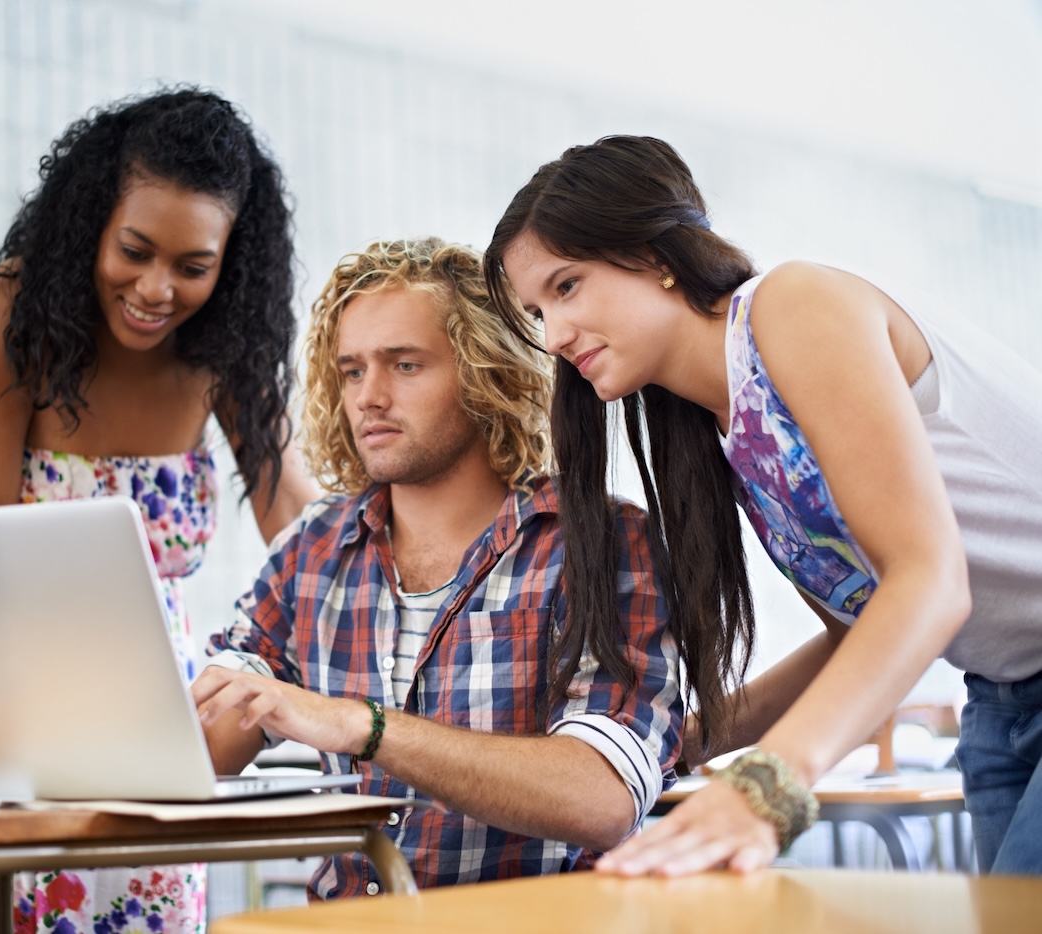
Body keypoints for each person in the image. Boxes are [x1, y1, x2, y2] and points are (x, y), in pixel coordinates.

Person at [484, 134, 1042, 877]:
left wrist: (768, 784)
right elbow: (856, 637)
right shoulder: (729, 439)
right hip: (1003, 703)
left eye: (567, 286)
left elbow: (931, 582)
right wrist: (674, 740)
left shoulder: (792, 306)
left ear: (654, 255)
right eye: (536, 311)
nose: (553, 337)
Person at [0, 88, 316, 934]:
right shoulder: (16, 316)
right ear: (93, 225)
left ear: (230, 264)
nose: (157, 289)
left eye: (193, 267)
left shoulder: (225, 347)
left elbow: (295, 521)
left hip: (150, 746)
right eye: (135, 250)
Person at [191, 237, 683, 897]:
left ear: (487, 372)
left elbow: (602, 796)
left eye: (405, 365)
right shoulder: (314, 550)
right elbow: (208, 744)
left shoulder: (600, 542)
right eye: (353, 370)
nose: (370, 396)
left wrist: (363, 727)